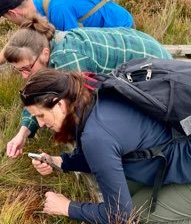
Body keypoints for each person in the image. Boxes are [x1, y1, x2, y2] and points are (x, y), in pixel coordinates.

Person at [20, 69, 191, 224]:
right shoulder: (92, 93)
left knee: (138, 216)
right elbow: (103, 154)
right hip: (175, 155)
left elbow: (121, 216)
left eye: (41, 115)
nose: (40, 124)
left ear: (59, 103)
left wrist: (67, 207)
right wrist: (58, 161)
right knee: (125, 194)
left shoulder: (95, 135)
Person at [4, 14, 172, 158]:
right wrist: (23, 133)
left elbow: (82, 110)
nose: (25, 76)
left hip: (154, 66)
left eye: (27, 68)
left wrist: (75, 155)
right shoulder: (47, 44)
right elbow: (38, 98)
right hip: (142, 50)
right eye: (19, 70)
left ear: (44, 54)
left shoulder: (67, 60)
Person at [0, 0, 134, 87]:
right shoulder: (36, 8)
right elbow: (16, 43)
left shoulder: (57, 9)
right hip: (105, 29)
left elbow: (77, 46)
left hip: (122, 30)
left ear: (13, 13)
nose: (11, 23)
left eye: (7, 18)